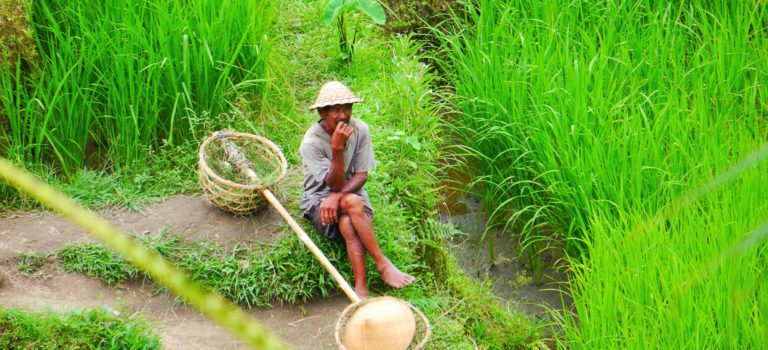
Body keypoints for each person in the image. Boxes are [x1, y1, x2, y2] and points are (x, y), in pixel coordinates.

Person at [300, 81, 415, 298]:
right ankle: (382, 263)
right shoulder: (311, 142)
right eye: (336, 110)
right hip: (319, 203)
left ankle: (361, 287)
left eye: (347, 108)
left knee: (347, 220)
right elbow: (333, 184)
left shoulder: (360, 129)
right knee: (352, 203)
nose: (344, 115)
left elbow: (362, 175)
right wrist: (337, 148)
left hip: (351, 197)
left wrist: (338, 196)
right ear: (322, 113)